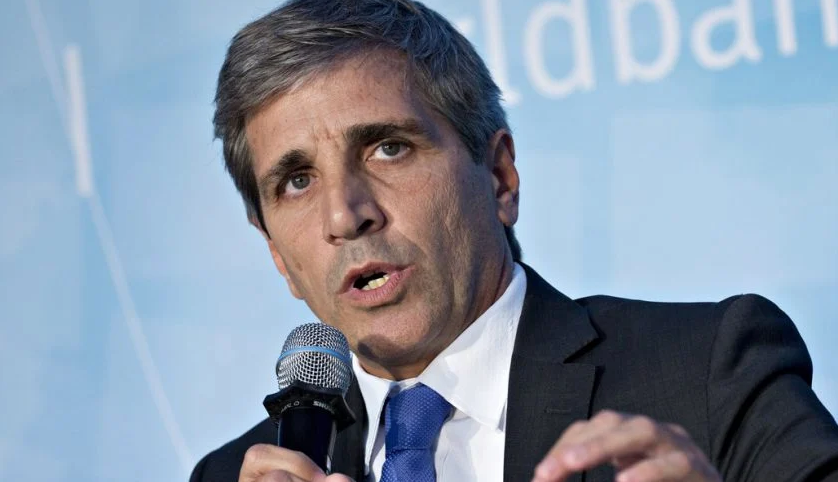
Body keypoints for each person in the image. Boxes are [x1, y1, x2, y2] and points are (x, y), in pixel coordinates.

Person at [191, 0, 838, 481]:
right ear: (277, 255)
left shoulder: (707, 374)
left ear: (500, 177)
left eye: (389, 148)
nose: (345, 214)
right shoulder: (232, 475)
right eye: (297, 182)